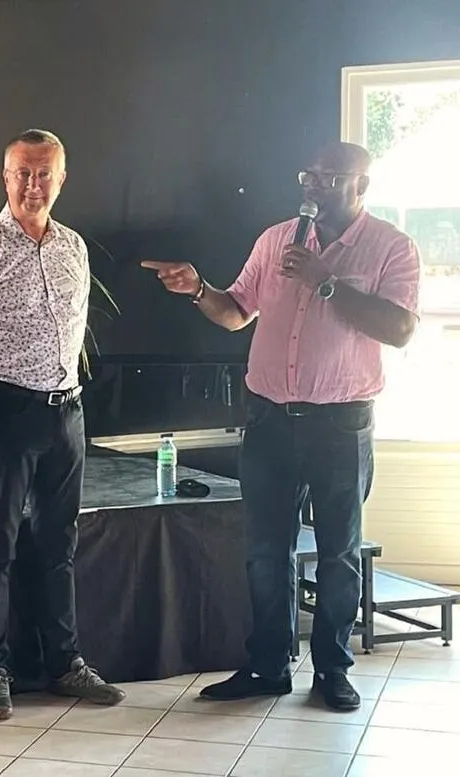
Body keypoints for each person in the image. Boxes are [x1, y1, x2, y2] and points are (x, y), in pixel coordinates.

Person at [142, 141, 420, 711]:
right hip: (268, 419)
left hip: (340, 425)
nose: (313, 187)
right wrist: (199, 289)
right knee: (266, 552)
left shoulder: (392, 247)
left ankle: (333, 671)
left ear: (362, 185)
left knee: (338, 553)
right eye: (308, 176)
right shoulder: (276, 240)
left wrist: (326, 281)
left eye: (329, 178)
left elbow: (399, 329)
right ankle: (268, 666)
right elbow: (236, 312)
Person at [0, 129, 126, 720]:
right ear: (5, 177)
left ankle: (65, 665)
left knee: (59, 544)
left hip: (67, 412)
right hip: (7, 413)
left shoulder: (73, 247)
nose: (33, 185)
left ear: (61, 179)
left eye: (44, 173)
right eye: (23, 173)